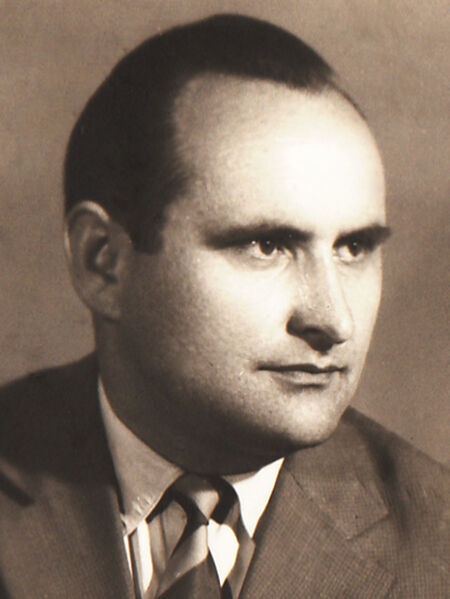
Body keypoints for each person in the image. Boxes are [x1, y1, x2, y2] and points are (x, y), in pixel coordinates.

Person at [0, 14, 447, 599]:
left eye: (354, 248)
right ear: (103, 263)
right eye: (266, 245)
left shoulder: (437, 545)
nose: (335, 320)